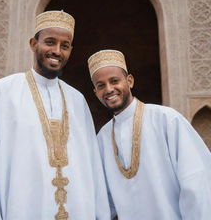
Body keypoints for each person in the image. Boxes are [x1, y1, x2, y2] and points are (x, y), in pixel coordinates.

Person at [0, 11, 110, 220]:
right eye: (50, 42)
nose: (57, 51)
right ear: (33, 43)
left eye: (64, 46)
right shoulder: (2, 93)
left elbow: (92, 165)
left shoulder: (77, 100)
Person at [87, 49, 211, 220]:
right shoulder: (102, 138)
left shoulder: (166, 119)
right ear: (96, 93)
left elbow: (196, 180)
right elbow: (103, 200)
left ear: (129, 81)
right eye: (101, 85)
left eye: (114, 81)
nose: (109, 89)